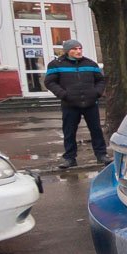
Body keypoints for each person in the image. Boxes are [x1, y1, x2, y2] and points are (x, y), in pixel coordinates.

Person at [43, 40, 111, 169]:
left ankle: (101, 155)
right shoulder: (56, 65)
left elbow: (100, 80)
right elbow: (50, 82)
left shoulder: (90, 64)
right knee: (69, 132)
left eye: (80, 48)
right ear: (67, 51)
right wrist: (63, 95)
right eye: (75, 49)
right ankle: (69, 158)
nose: (79, 51)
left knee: (96, 130)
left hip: (90, 103)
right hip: (70, 104)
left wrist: (96, 93)